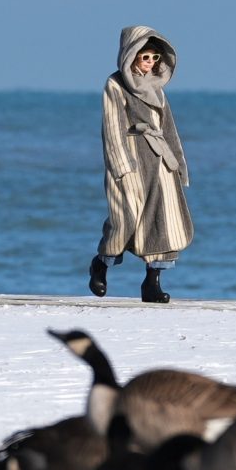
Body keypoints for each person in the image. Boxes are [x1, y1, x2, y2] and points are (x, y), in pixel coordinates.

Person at [89, 26, 194, 304]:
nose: (149, 62)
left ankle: (152, 283)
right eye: (144, 56)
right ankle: (102, 263)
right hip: (131, 162)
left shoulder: (157, 88)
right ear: (130, 54)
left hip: (159, 162)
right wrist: (121, 165)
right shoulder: (115, 85)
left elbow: (167, 127)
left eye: (154, 57)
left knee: (162, 220)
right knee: (124, 219)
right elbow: (112, 126)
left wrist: (178, 163)